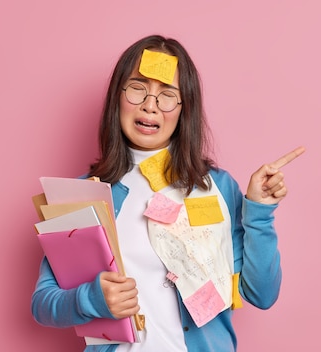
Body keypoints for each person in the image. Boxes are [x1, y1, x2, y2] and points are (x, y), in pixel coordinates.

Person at [31, 34, 304, 352]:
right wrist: (91, 298)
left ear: (184, 106)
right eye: (138, 89)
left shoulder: (217, 187)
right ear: (117, 96)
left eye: (167, 95)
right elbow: (43, 304)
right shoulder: (81, 194)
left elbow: (262, 294)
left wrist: (258, 211)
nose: (150, 106)